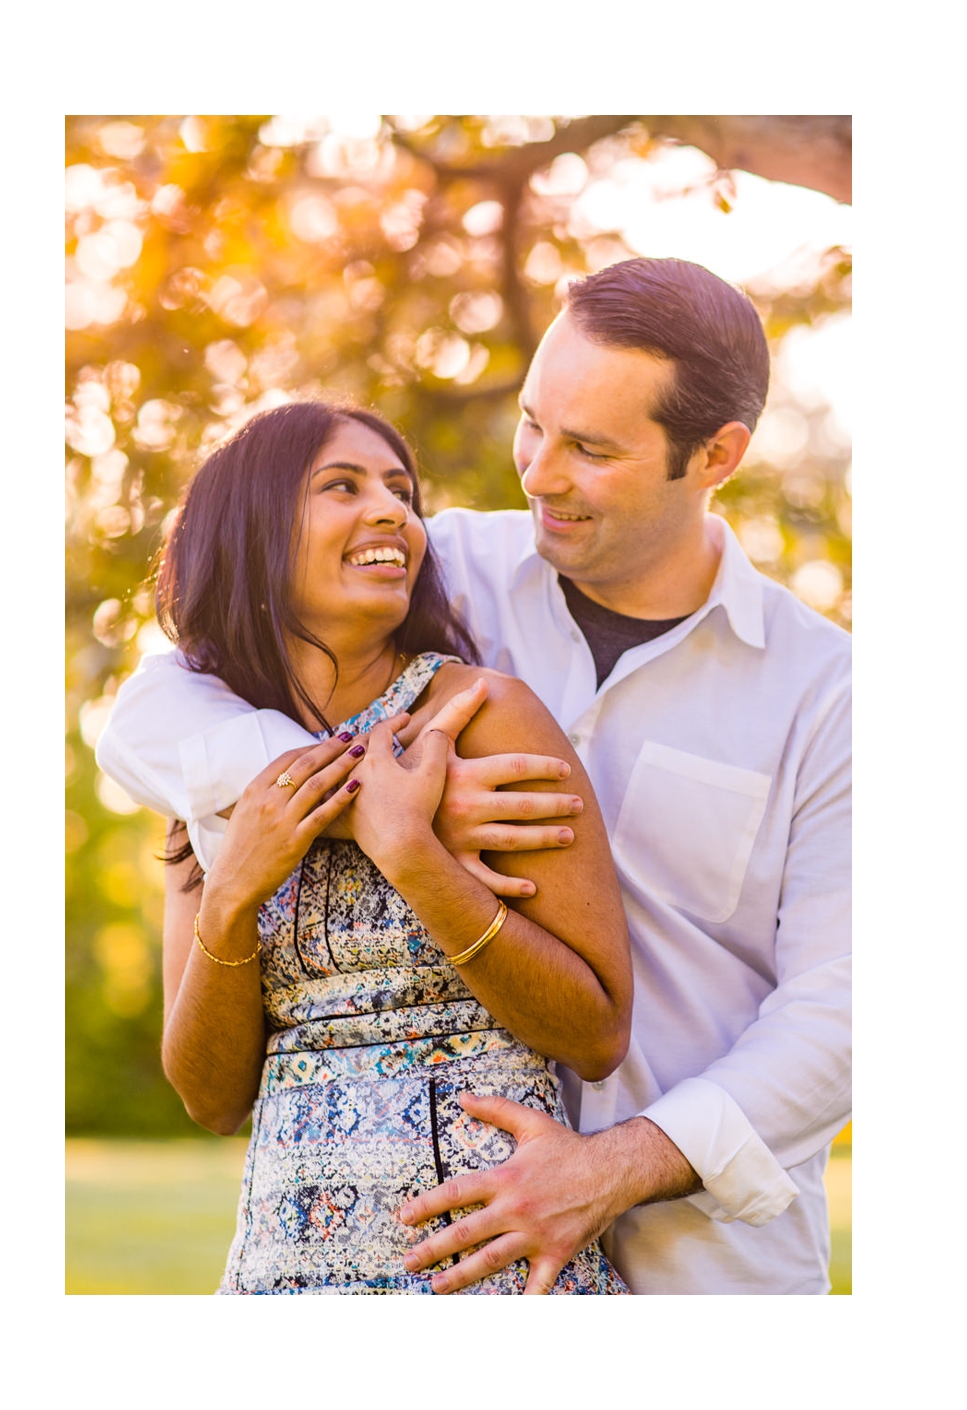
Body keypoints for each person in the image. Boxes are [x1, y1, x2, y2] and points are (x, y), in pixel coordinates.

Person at [97, 257, 852, 1294]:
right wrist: (367, 795)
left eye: (588, 448)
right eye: (535, 423)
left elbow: (844, 1013)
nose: (538, 472)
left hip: (700, 1266)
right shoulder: (436, 567)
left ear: (715, 454)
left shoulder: (829, 694)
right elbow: (154, 705)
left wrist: (612, 1168)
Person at [146, 398, 633, 1294]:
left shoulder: (481, 718)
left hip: (483, 1264)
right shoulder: (217, 767)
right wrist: (233, 891)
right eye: (342, 486)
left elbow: (597, 1031)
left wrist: (414, 855)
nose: (393, 513)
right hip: (283, 1272)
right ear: (252, 531)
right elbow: (211, 1099)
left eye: (401, 492)